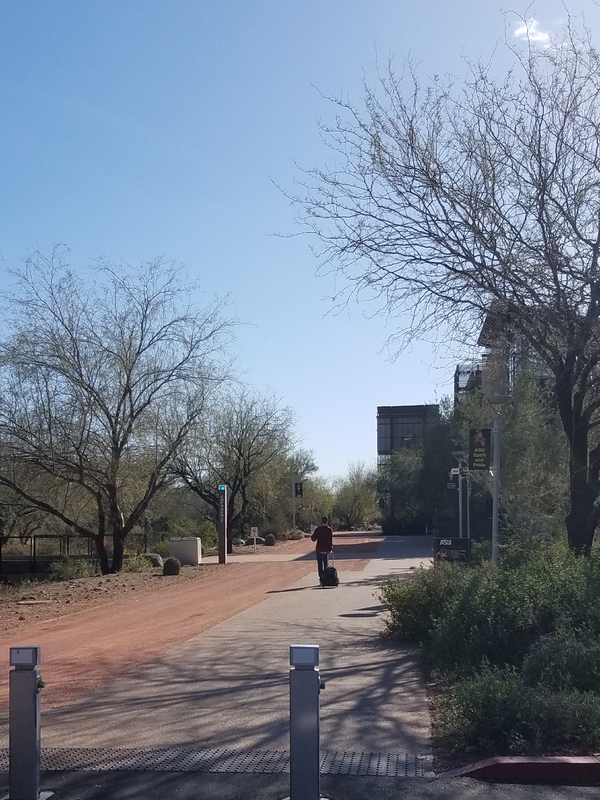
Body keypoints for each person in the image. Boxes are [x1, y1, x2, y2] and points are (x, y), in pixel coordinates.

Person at [311, 515, 333, 581]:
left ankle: (321, 578)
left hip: (319, 549)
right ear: (327, 521)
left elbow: (313, 538)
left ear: (321, 521)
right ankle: (325, 577)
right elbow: (330, 540)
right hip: (326, 550)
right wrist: (330, 549)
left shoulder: (318, 529)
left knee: (320, 565)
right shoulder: (329, 530)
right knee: (326, 564)